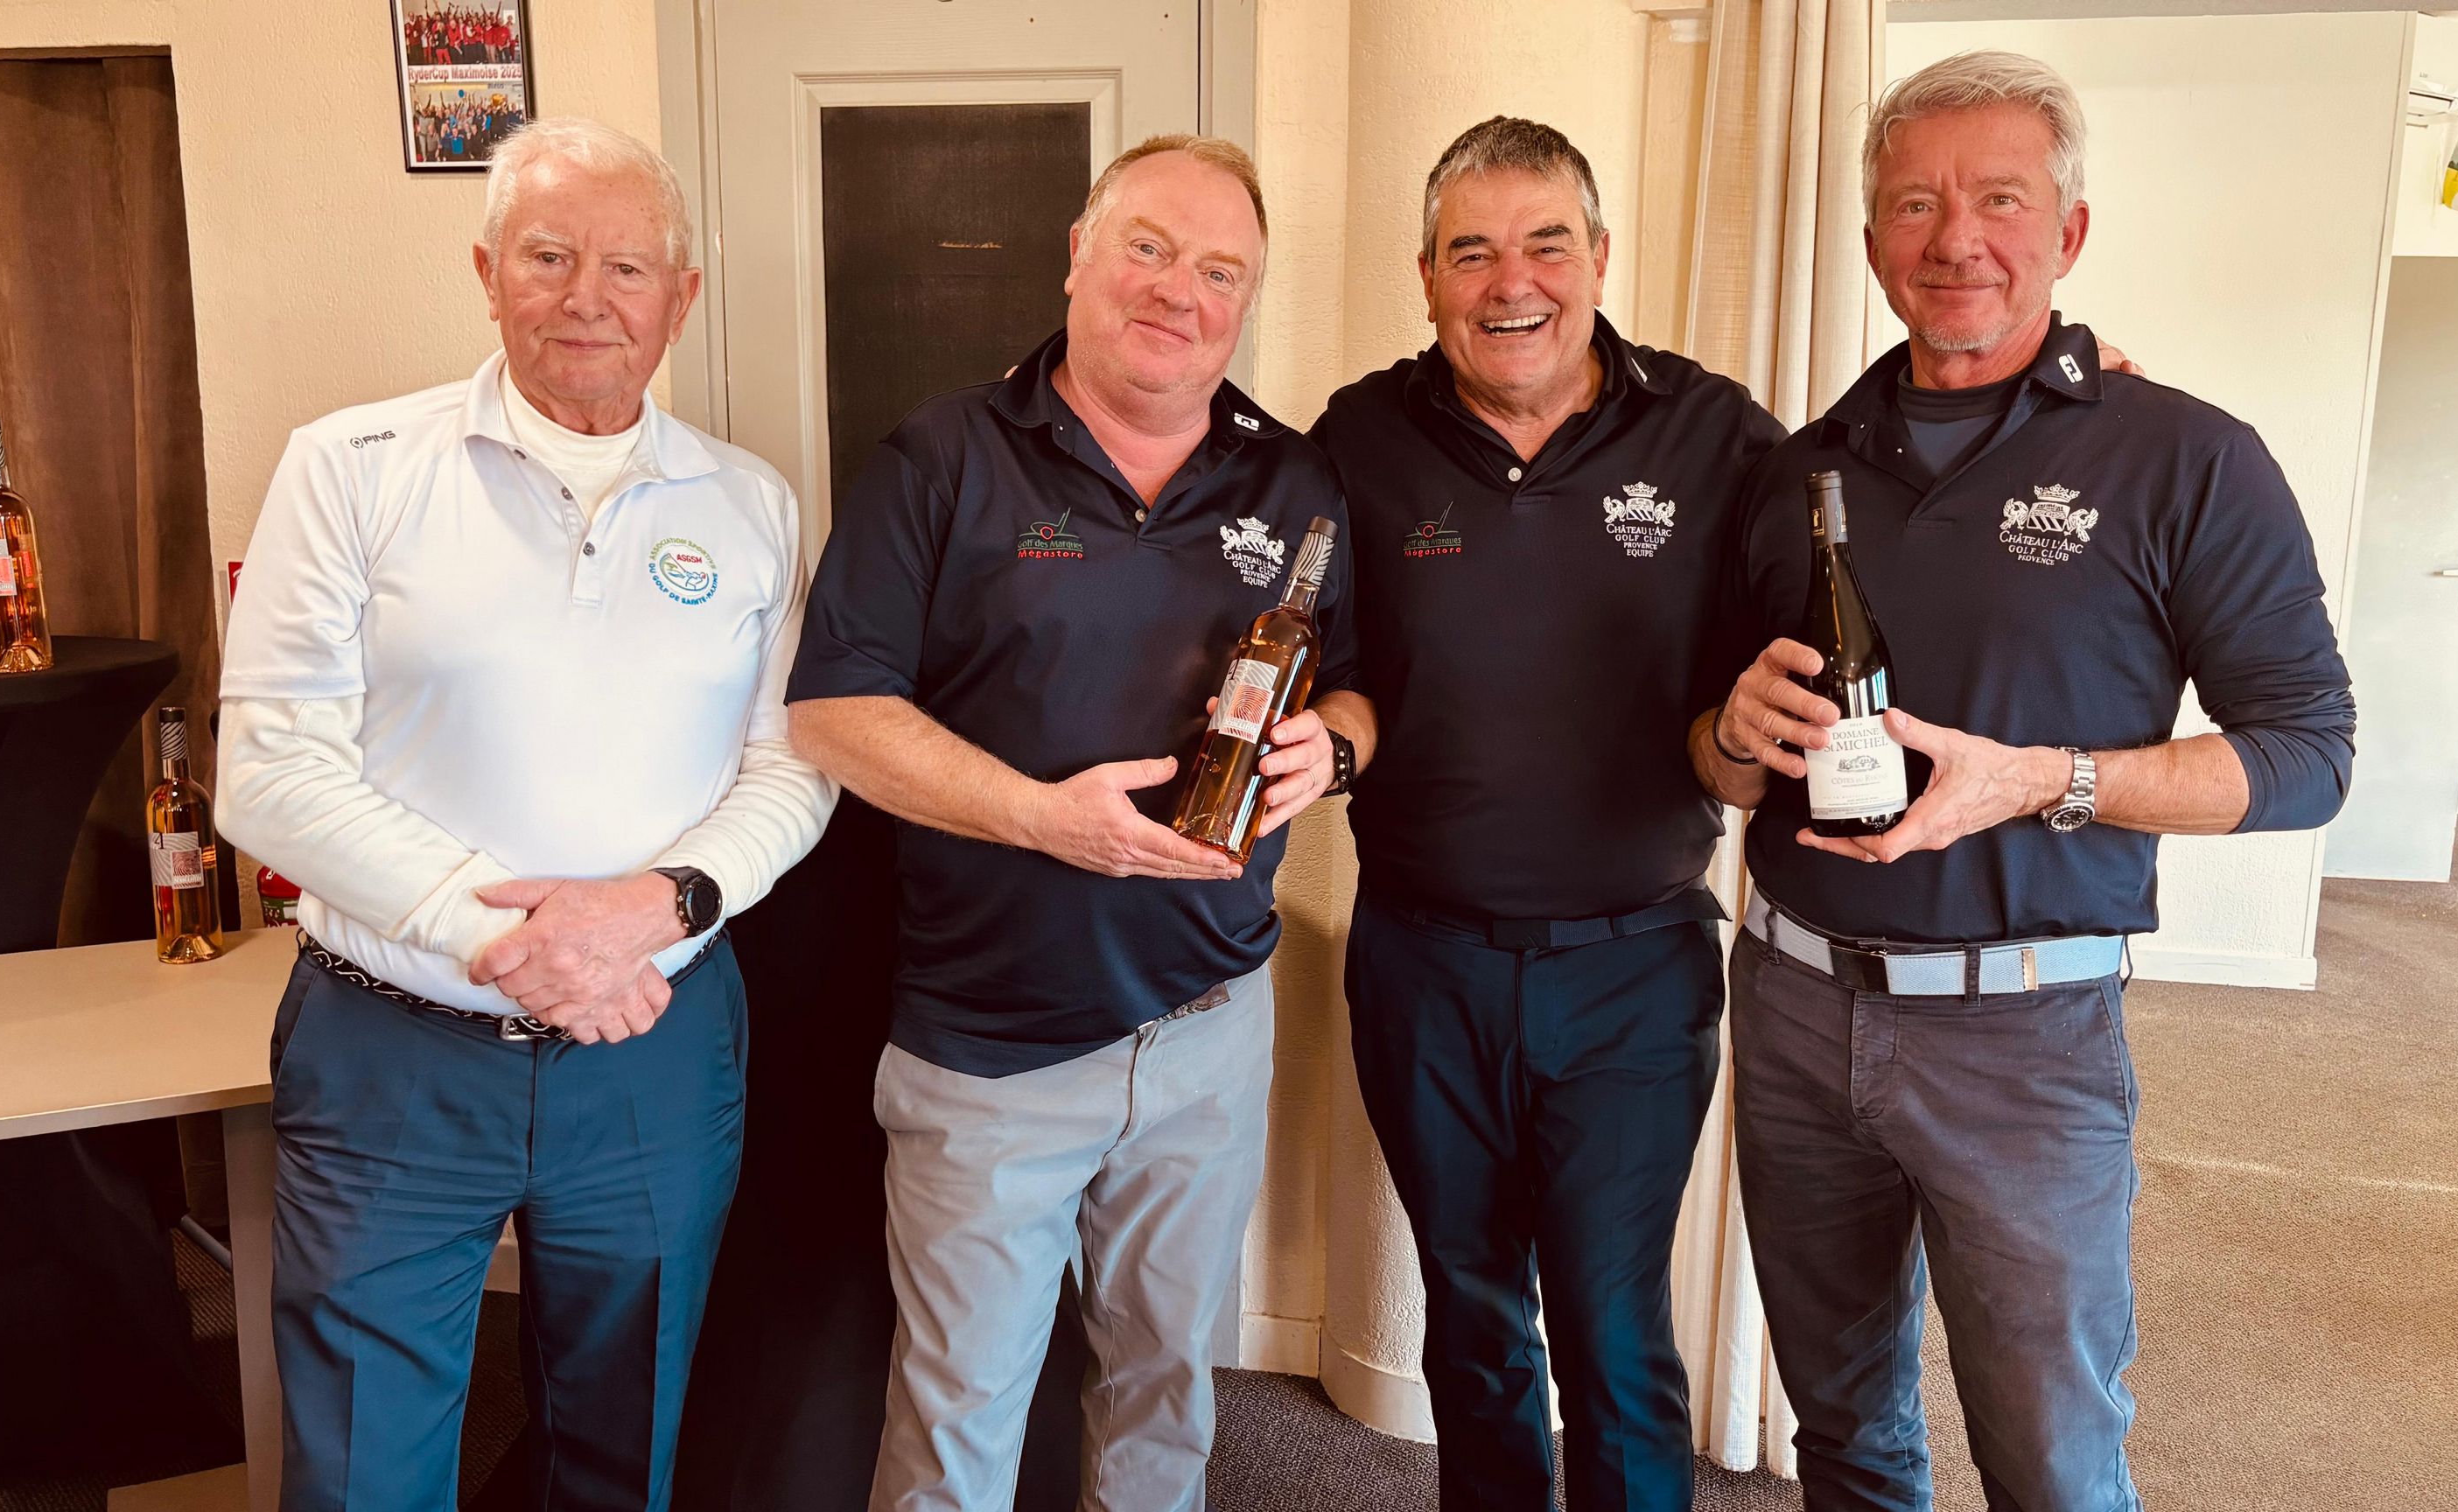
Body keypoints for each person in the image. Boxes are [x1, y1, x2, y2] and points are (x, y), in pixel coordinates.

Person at [1698, 51, 2356, 1512]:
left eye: (1999, 200)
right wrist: (1732, 736)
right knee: (1842, 1429)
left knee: (2050, 1455)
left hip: (2028, 1034)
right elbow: (1718, 757)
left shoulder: (2185, 457)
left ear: (2068, 231)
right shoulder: (1797, 469)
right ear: (1872, 238)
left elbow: (2309, 758)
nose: (1956, 240)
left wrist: (2043, 783)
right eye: (1915, 205)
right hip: (1793, 1004)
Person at [216, 117, 834, 1510]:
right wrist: (512, 939)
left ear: (681, 298)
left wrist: (657, 908)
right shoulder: (351, 466)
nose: (586, 299)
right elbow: (268, 771)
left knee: (626, 1440)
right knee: (363, 1466)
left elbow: (791, 767)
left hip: (656, 1054)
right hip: (394, 1055)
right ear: (487, 271)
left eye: (628, 268)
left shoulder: (749, 504)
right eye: (549, 257)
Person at [788, 134, 1379, 1512]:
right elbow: (832, 716)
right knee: (957, 1426)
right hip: (989, 1046)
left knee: (1167, 1398)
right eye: (1149, 249)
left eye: (1220, 270)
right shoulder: (943, 458)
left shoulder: (1292, 482)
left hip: (1207, 1031)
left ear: (1248, 299)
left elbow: (1358, 685)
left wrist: (1334, 748)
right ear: (1078, 255)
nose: (1180, 291)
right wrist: (1041, 820)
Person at [1306, 118, 1781, 1512]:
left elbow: (1858, 511)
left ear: (1600, 258)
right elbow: (1294, 617)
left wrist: (2052, 407)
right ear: (1426, 277)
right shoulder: (1357, 437)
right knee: (1470, 1315)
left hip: (1635, 964)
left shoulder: (1715, 432)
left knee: (1613, 1327)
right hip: (1420, 959)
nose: (1511, 282)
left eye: (1546, 245)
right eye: (1472, 253)